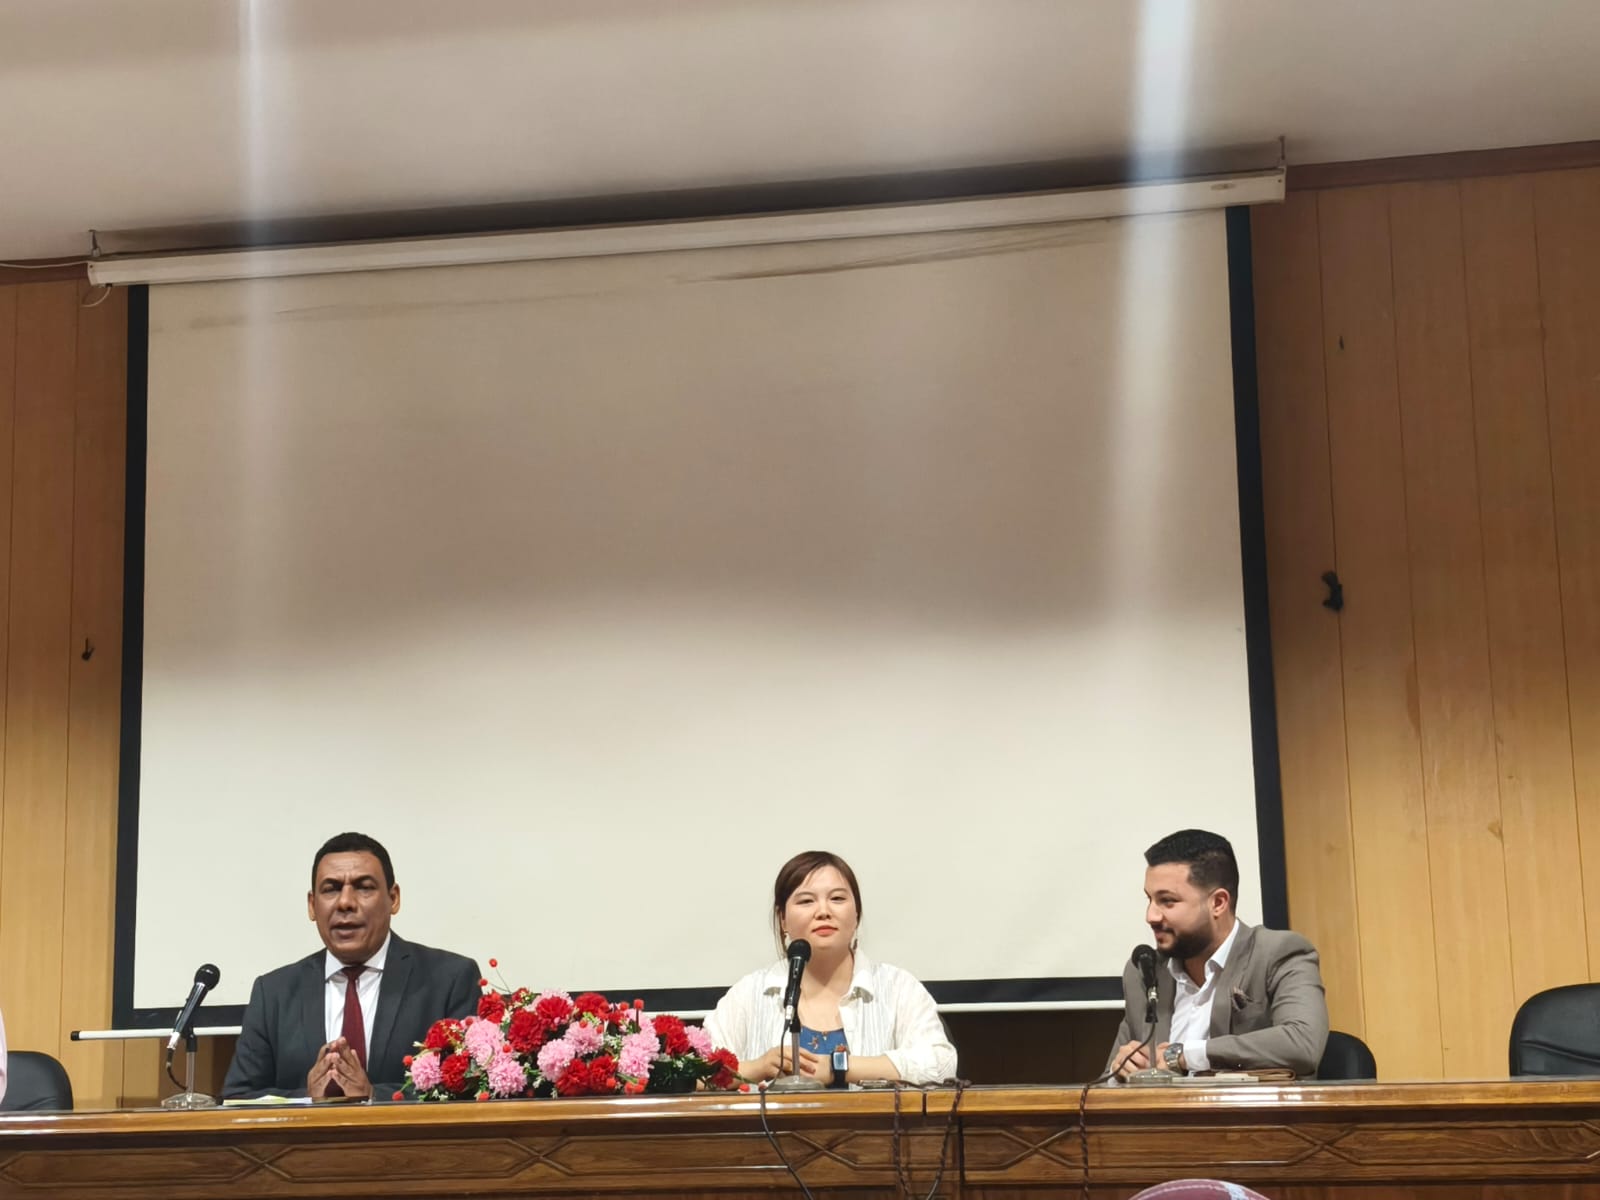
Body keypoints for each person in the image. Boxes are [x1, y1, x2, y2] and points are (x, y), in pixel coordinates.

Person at [223, 832, 480, 1100]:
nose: (345, 902)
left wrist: (373, 1096)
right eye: (331, 889)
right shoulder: (274, 992)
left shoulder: (449, 980)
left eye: (364, 887)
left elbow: (468, 1090)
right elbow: (239, 1097)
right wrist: (307, 1099)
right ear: (312, 905)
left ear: (393, 898)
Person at [704, 850, 956, 1086]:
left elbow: (942, 1065)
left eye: (837, 899)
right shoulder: (749, 994)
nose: (823, 911)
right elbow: (695, 1074)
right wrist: (757, 1067)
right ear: (783, 920)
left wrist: (840, 1067)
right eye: (806, 901)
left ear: (856, 914)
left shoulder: (898, 987)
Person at [1108, 829, 1328, 1081]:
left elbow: (1302, 1043)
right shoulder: (1145, 971)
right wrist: (1119, 1072)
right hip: (1162, 1109)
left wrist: (1183, 1055)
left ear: (1218, 903)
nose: (1151, 916)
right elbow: (1104, 1084)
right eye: (1149, 899)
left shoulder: (1278, 954)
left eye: (1167, 901)